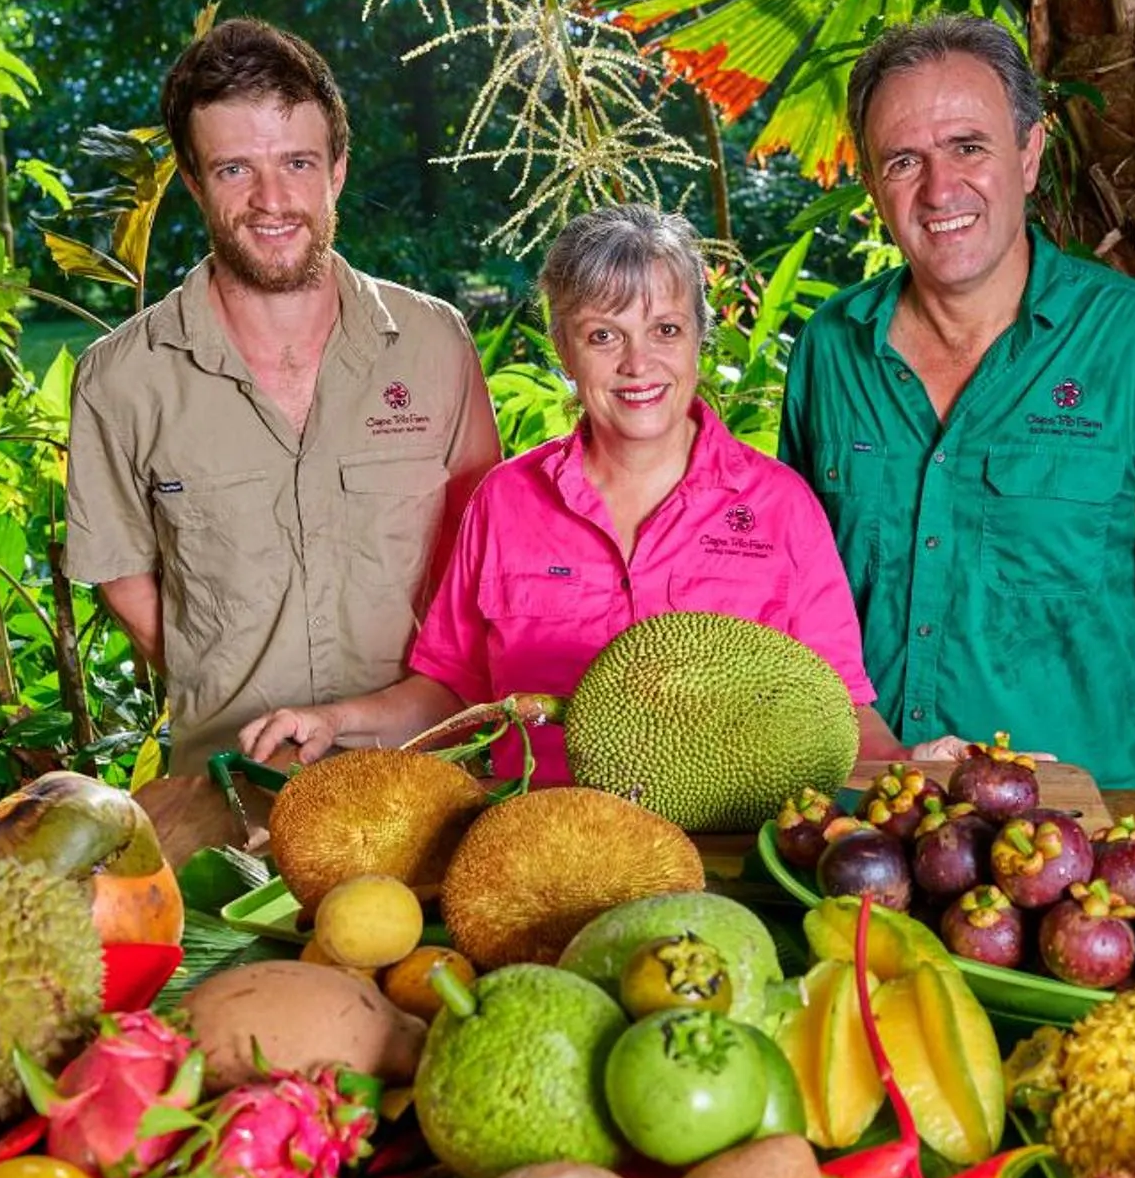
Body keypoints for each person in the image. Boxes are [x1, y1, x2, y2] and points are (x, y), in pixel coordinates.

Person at [779, 16, 1135, 840]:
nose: (938, 190)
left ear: (1028, 152)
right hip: (858, 834)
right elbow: (796, 603)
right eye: (903, 161)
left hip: (1069, 848)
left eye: (968, 147)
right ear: (872, 184)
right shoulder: (830, 351)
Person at [241, 204, 903, 777]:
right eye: (603, 336)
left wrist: (914, 773)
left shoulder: (780, 507)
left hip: (726, 857)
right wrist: (335, 721)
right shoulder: (506, 503)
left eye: (665, 330)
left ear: (700, 337)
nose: (638, 363)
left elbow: (840, 708)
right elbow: (451, 695)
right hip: (540, 843)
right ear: (563, 349)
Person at [62, 19, 500, 764]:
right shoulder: (121, 380)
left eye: (297, 162)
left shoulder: (435, 345)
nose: (272, 200)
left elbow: (482, 548)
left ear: (337, 171)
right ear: (193, 180)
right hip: (231, 781)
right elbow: (124, 576)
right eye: (235, 169)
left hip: (423, 770)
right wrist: (223, 678)